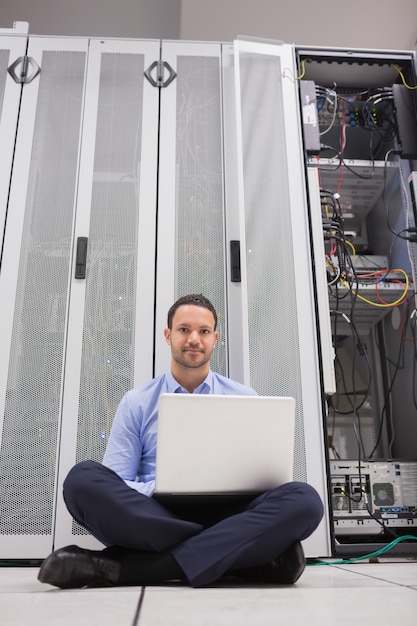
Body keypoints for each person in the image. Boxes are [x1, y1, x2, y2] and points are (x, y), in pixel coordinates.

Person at [38, 293, 324, 589]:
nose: (194, 339)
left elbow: (264, 483)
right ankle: (236, 554)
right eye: (184, 329)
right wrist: (158, 488)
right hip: (155, 514)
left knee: (305, 501)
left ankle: (130, 568)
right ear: (168, 335)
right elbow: (117, 479)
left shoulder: (244, 397)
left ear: (215, 338)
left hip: (228, 512)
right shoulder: (136, 402)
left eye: (203, 332)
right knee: (81, 480)